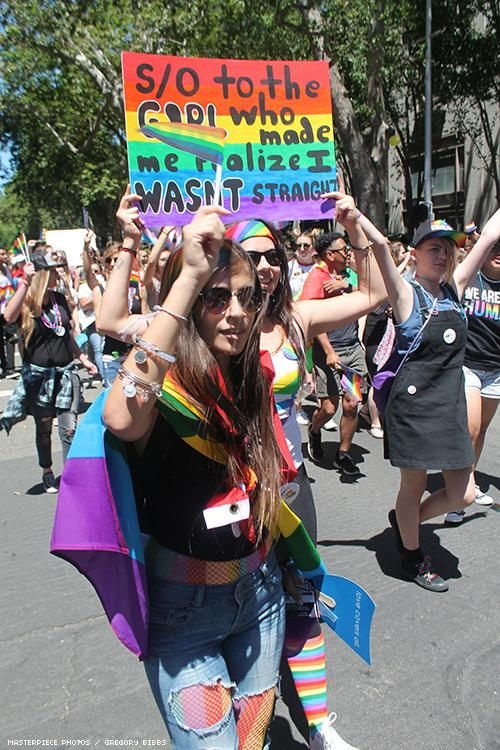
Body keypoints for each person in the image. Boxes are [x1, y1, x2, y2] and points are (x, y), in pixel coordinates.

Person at [102, 192, 286, 749]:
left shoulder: (249, 371)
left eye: (246, 298)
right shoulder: (163, 377)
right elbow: (120, 414)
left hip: (261, 594)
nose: (235, 311)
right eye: (216, 297)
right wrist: (186, 278)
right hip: (184, 613)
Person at [224, 194, 387, 750]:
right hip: (232, 494)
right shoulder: (217, 325)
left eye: (272, 255)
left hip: (291, 488)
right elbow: (112, 322)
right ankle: (254, 725)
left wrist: (355, 228)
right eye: (252, 254)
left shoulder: (297, 317)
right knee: (239, 610)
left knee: (301, 600)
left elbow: (377, 294)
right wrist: (130, 247)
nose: (266, 265)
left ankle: (317, 725)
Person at [369, 212, 500, 591]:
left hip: (449, 407)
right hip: (412, 409)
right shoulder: (406, 293)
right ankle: (412, 556)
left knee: (466, 492)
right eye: (433, 249)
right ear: (415, 253)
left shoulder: (455, 288)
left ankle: (405, 521)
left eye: (447, 249)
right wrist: (355, 216)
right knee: (413, 485)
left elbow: (490, 234)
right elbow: (379, 247)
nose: (442, 256)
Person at [2, 250, 97, 492]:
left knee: (69, 427)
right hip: (40, 377)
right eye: (53, 270)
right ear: (43, 274)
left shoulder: (59, 299)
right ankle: (47, 470)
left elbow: (67, 336)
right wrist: (24, 282)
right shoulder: (28, 302)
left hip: (65, 373)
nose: (58, 274)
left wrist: (83, 358)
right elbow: (8, 315)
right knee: (43, 429)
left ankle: (72, 474)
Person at [300, 232, 368, 475]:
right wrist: (328, 351)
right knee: (329, 408)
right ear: (330, 255)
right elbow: (312, 318)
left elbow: (369, 291)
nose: (347, 252)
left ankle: (343, 454)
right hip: (328, 353)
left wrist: (345, 285)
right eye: (343, 249)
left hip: (351, 350)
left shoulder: (348, 273)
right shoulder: (316, 278)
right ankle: (314, 430)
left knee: (352, 404)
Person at [444, 236, 500, 522]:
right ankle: (457, 496)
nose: (498, 254)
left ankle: (470, 482)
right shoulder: (468, 279)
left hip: (496, 371)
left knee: (481, 432)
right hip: (467, 366)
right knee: (471, 429)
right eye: (495, 248)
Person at [0, 247, 16, 377]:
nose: (4, 256)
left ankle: (10, 367)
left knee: (11, 336)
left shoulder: (6, 269)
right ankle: (3, 364)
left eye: (5, 253)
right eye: (2, 254)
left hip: (8, 307)